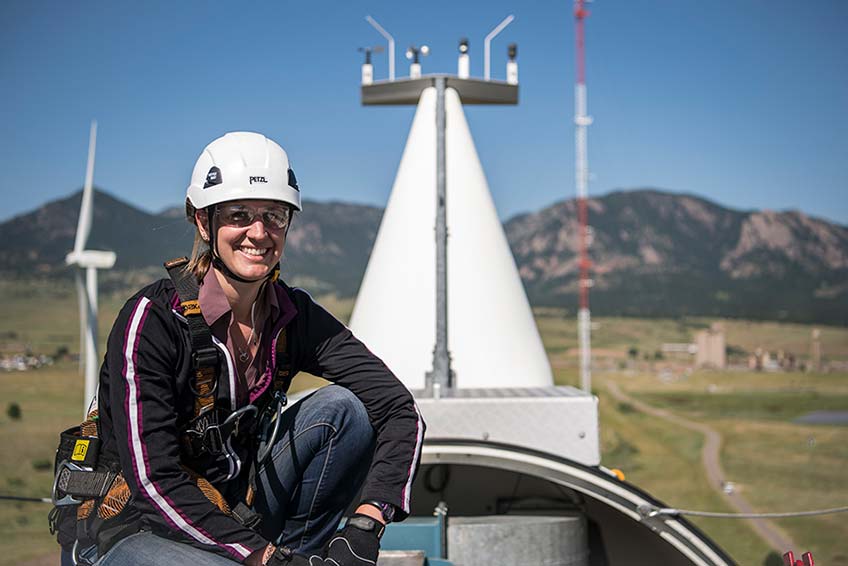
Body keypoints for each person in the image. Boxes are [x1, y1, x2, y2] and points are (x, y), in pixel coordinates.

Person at [72, 132, 424, 566]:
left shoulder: (293, 315)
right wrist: (260, 556)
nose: (259, 233)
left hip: (236, 516)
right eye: (239, 215)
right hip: (134, 528)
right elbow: (152, 480)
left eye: (275, 216)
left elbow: (398, 408)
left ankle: (306, 556)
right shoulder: (153, 320)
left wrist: (367, 523)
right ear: (204, 223)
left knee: (344, 411)